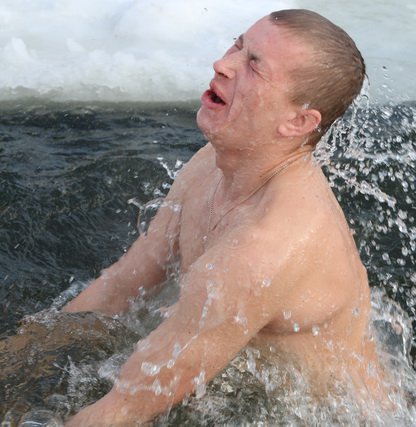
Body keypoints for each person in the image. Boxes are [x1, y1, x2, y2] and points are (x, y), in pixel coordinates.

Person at [64, 9, 389, 425]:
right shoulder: (211, 164)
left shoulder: (266, 248)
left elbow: (127, 407)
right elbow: (120, 287)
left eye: (254, 66)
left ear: (297, 121)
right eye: (238, 44)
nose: (223, 64)